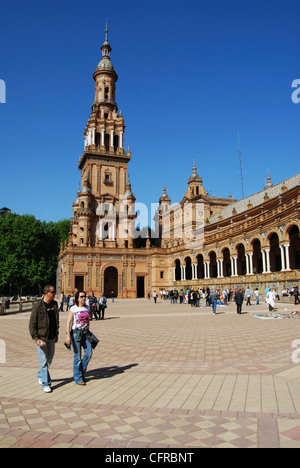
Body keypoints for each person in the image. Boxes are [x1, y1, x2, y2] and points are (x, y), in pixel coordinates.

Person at [29, 285, 59, 393]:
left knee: (49, 360)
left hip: (52, 337)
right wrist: (36, 338)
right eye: (53, 292)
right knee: (44, 362)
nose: (55, 293)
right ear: (46, 293)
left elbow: (56, 321)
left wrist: (56, 334)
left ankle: (40, 374)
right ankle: (46, 384)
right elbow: (32, 324)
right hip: (42, 338)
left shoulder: (54, 304)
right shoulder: (38, 306)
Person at [65, 290, 93, 386]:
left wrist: (89, 331)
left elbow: (88, 320)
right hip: (76, 333)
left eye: (84, 296)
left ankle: (80, 371)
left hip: (86, 333)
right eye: (81, 296)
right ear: (77, 298)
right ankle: (78, 377)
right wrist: (68, 335)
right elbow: (68, 323)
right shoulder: (73, 309)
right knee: (77, 356)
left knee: (88, 353)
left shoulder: (87, 308)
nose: (84, 298)